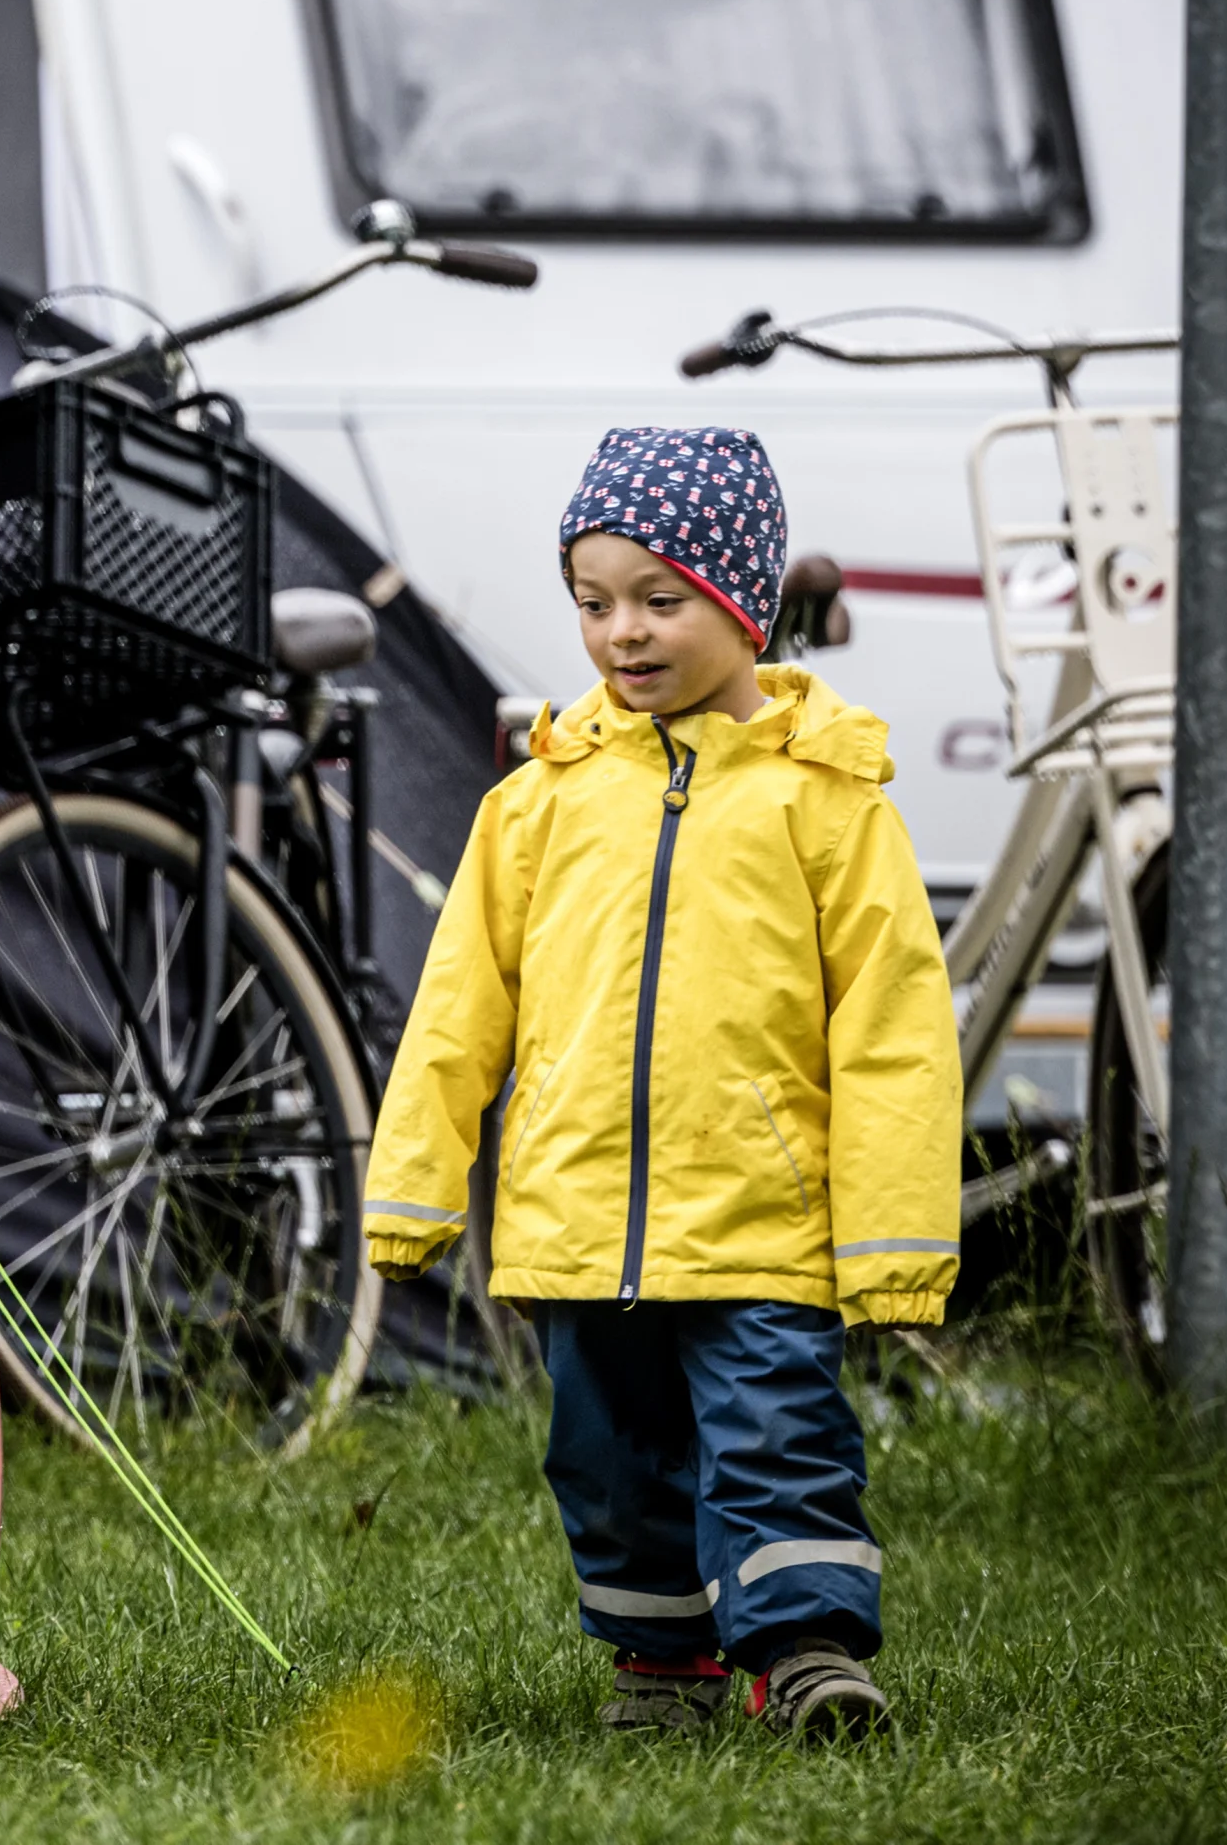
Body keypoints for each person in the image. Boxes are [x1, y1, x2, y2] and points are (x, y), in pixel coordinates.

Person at [365, 428, 961, 1741]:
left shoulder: (829, 798)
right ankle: (662, 1665)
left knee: (777, 1434)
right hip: (575, 1227)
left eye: (659, 597)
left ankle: (806, 1651)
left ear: (743, 600)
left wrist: (896, 1235)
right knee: (608, 1456)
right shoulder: (536, 805)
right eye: (592, 601)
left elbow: (894, 1025)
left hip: (762, 1218)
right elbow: (458, 1008)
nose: (622, 633)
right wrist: (412, 1185)